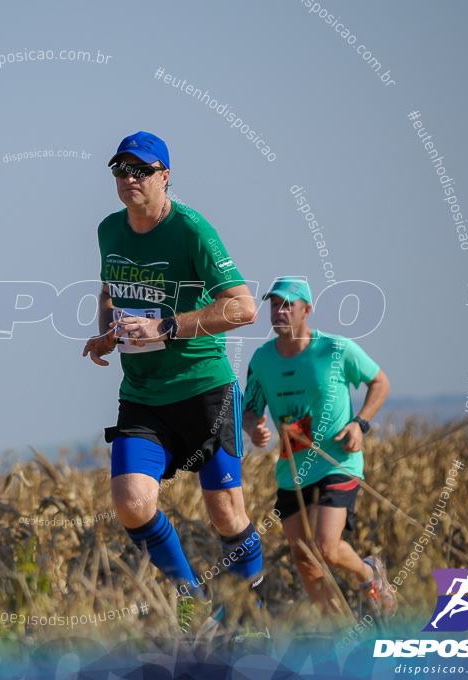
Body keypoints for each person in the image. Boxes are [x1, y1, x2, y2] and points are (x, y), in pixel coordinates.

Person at [82, 131, 262, 629]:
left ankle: (253, 612)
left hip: (204, 388)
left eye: (140, 169)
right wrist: (108, 334)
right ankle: (194, 604)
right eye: (120, 169)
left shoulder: (192, 230)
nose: (128, 178)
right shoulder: (108, 230)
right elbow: (108, 288)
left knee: (226, 514)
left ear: (165, 176)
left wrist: (164, 326)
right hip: (142, 394)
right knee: (131, 502)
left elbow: (244, 308)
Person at [241, 277, 395, 618]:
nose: (278, 311)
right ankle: (342, 631)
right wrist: (255, 429)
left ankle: (369, 574)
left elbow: (379, 382)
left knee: (325, 547)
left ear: (306, 310)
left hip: (336, 462)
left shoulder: (336, 349)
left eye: (287, 305)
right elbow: (249, 409)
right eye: (273, 305)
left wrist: (361, 423)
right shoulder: (262, 359)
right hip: (292, 471)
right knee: (304, 559)